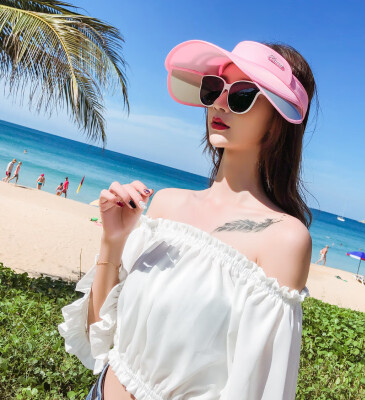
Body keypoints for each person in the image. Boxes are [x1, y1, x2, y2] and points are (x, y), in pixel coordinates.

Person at [59, 39, 317, 400]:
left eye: (242, 94)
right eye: (214, 89)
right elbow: (100, 334)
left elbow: (254, 389)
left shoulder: (284, 239)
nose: (220, 103)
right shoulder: (165, 206)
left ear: (278, 119)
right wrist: (113, 240)